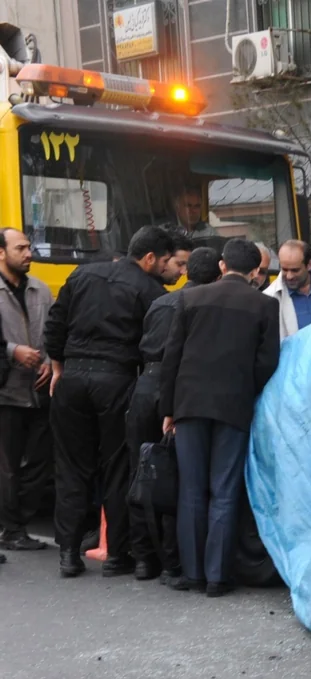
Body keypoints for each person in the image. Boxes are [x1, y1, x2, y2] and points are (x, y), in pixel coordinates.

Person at [43, 225, 173, 578]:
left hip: (72, 377)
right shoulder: (151, 291)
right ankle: (117, 553)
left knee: (70, 467)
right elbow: (154, 344)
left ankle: (68, 554)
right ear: (148, 258)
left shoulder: (82, 274)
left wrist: (58, 366)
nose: (167, 269)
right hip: (117, 380)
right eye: (164, 262)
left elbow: (54, 326)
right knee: (117, 467)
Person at [159, 238, 280, 596]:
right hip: (235, 406)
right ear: (256, 271)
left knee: (191, 490)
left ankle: (193, 573)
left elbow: (172, 358)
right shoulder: (265, 306)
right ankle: (217, 577)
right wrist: (247, 390)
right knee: (224, 491)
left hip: (190, 404)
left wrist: (169, 409)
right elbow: (267, 362)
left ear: (223, 265)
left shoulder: (190, 298)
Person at [126, 246, 219, 582]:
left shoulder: (160, 302)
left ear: (185, 272)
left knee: (141, 471)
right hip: (180, 389)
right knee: (176, 475)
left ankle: (142, 558)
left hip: (145, 385)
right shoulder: (205, 306)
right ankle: (172, 560)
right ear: (219, 273)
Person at [0, 227, 53, 552]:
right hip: (6, 392)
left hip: (39, 391)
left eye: (29, 247)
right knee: (6, 467)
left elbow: (54, 333)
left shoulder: (41, 291)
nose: (28, 253)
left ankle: (17, 521)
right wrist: (12, 350)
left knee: (40, 462)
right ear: (2, 253)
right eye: (20, 248)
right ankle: (12, 529)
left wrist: (50, 361)